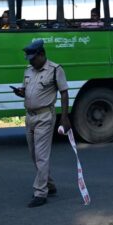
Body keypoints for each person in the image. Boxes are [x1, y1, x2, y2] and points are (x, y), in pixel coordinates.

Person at [11, 39, 71, 208]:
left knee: (41, 156)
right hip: (29, 117)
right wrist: (20, 93)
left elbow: (64, 94)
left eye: (33, 58)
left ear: (42, 55)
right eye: (29, 59)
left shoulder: (55, 70)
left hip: (45, 116)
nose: (31, 61)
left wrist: (65, 118)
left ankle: (40, 192)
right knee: (33, 155)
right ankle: (49, 184)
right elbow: (26, 93)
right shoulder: (28, 70)